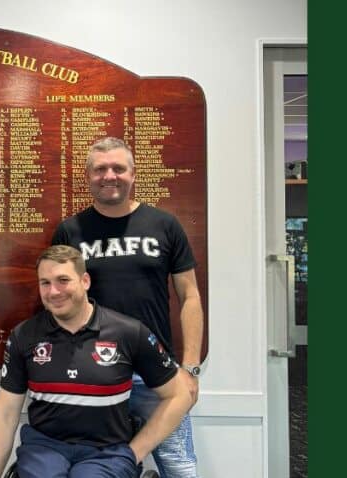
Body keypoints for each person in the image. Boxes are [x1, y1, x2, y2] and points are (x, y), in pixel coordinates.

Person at [51, 136, 204, 478]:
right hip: (95, 375)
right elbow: (57, 300)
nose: (110, 176)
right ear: (88, 176)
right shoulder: (70, 231)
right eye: (100, 169)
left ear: (133, 174)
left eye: (118, 168)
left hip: (158, 375)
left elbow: (190, 295)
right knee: (97, 471)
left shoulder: (165, 225)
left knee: (180, 469)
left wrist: (190, 369)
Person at [0, 245, 195, 478]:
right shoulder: (24, 336)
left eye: (63, 280)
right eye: (45, 282)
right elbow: (5, 413)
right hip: (44, 449)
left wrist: (135, 452)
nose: (53, 291)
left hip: (106, 453)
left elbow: (179, 395)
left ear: (85, 281)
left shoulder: (129, 332)